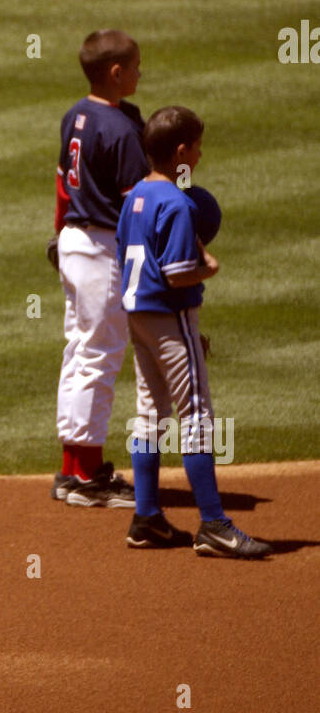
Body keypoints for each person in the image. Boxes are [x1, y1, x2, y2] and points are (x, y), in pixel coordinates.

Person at [117, 106, 271, 557]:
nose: (200, 155)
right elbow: (178, 272)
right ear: (181, 151)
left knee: (149, 413)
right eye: (198, 147)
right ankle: (214, 525)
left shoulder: (135, 196)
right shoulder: (179, 203)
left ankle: (147, 518)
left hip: (138, 318)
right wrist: (210, 267)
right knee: (197, 417)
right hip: (170, 316)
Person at [51, 29, 146, 507]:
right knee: (100, 356)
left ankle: (72, 469)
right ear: (115, 73)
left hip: (72, 238)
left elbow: (61, 185)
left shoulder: (76, 114)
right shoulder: (122, 129)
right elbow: (136, 205)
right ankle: (88, 476)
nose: (139, 73)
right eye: (134, 67)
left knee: (80, 351)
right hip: (104, 246)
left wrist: (57, 234)